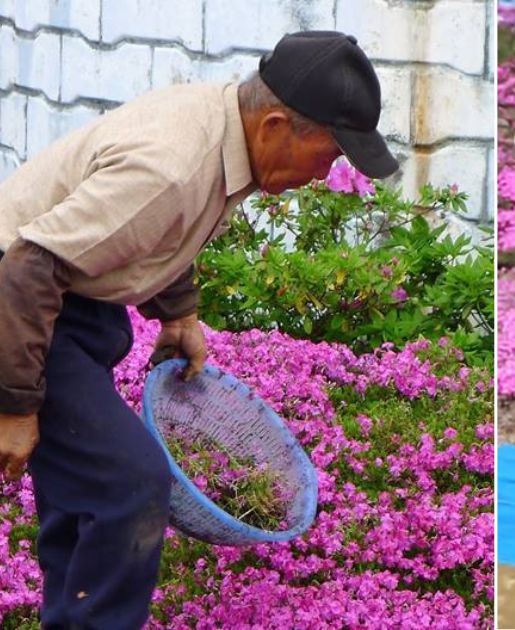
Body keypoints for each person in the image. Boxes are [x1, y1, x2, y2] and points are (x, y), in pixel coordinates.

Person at [0, 30, 398, 629]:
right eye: (329, 154)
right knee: (130, 485)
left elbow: (158, 230)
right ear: (274, 127)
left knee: (83, 491)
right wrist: (15, 405)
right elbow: (29, 266)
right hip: (19, 302)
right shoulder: (172, 165)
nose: (326, 174)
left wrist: (179, 312)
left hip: (65, 296)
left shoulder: (224, 129)